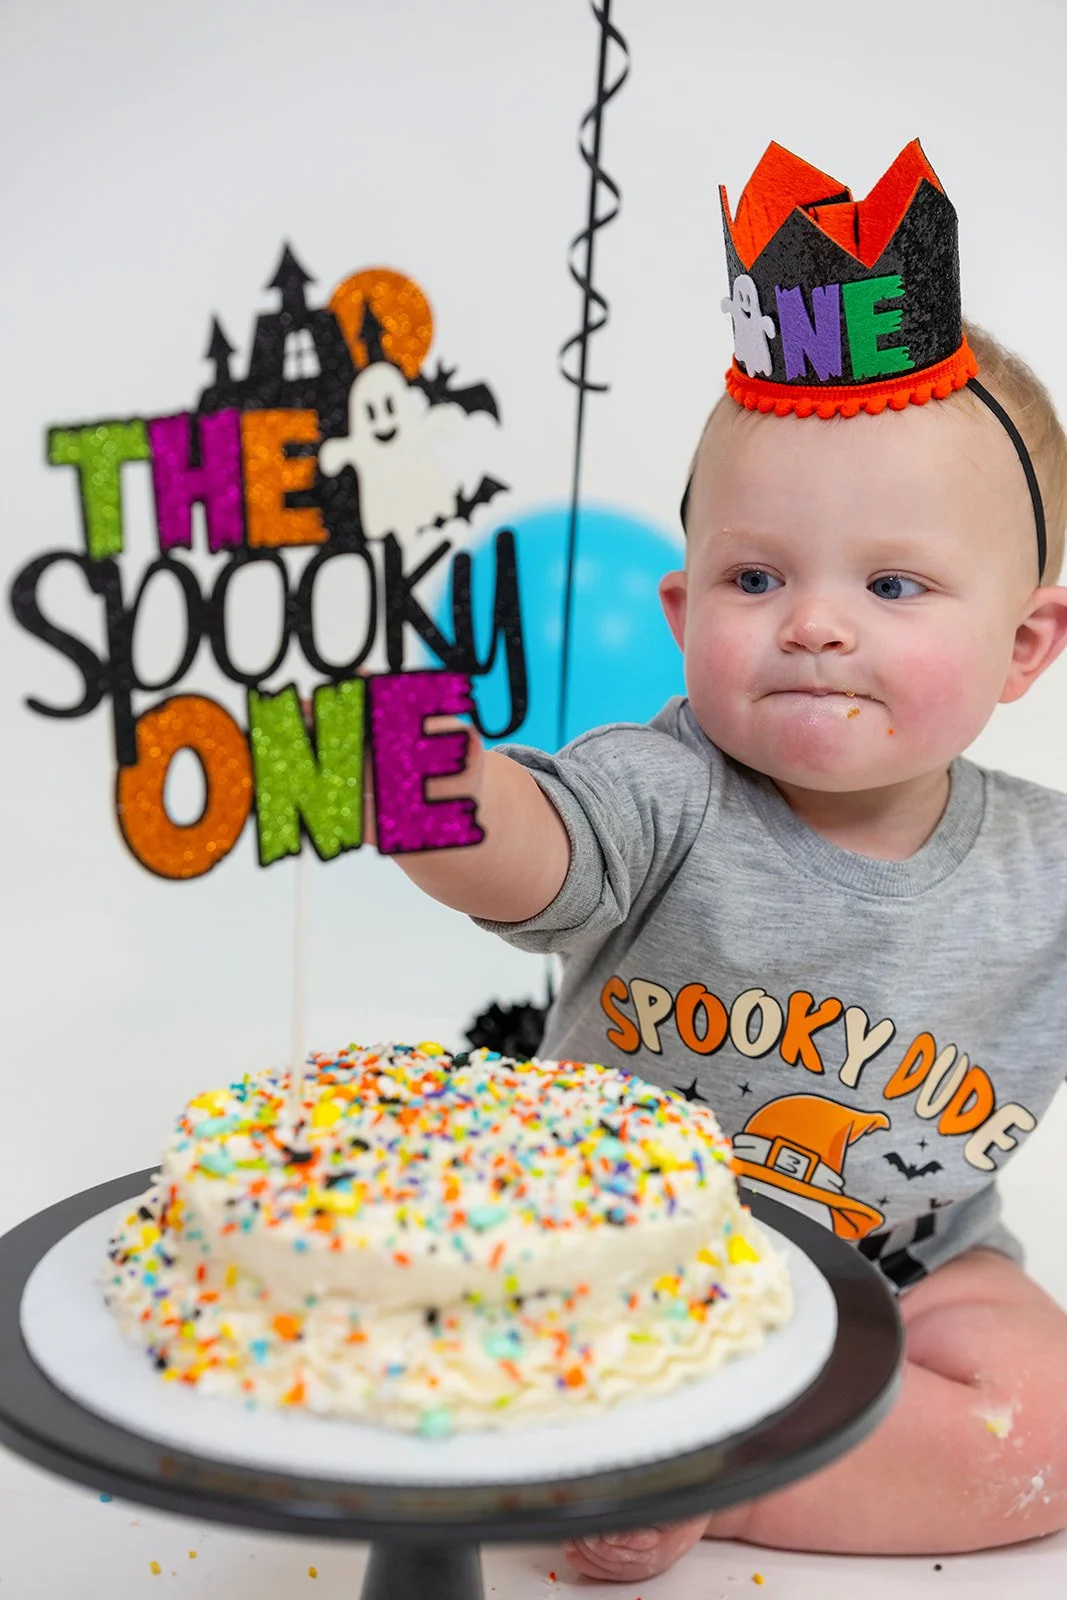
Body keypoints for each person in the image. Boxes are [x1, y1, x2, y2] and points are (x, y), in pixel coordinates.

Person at [389, 143, 1067, 1579]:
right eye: (758, 579)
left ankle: (711, 1466)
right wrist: (433, 786)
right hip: (605, 1273)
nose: (813, 624)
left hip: (902, 1272)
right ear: (680, 604)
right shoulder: (662, 787)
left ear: (1023, 644)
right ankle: (649, 1430)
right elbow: (532, 853)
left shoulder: (1044, 868)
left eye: (890, 585)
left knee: (1043, 1421)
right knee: (448, 1322)